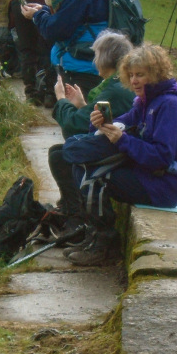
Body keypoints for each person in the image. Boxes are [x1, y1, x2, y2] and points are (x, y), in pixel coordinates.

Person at [65, 44, 177, 266]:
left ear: (155, 74)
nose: (134, 81)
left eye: (141, 75)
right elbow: (123, 122)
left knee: (94, 177)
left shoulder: (171, 105)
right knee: (80, 166)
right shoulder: (145, 101)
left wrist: (123, 140)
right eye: (131, 75)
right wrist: (97, 123)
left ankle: (104, 245)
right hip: (146, 171)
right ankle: (93, 235)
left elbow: (163, 156)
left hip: (163, 184)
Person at [47, 30, 135, 235]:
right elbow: (92, 122)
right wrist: (82, 105)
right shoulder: (115, 86)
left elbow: (73, 126)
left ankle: (75, 215)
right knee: (61, 152)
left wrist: (61, 100)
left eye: (96, 56)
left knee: (61, 155)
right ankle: (72, 211)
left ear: (105, 59)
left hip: (120, 148)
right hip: (118, 142)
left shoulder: (114, 89)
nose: (94, 61)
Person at [8, 0, 56, 106]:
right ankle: (50, 94)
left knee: (27, 50)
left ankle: (31, 93)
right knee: (49, 48)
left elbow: (12, 26)